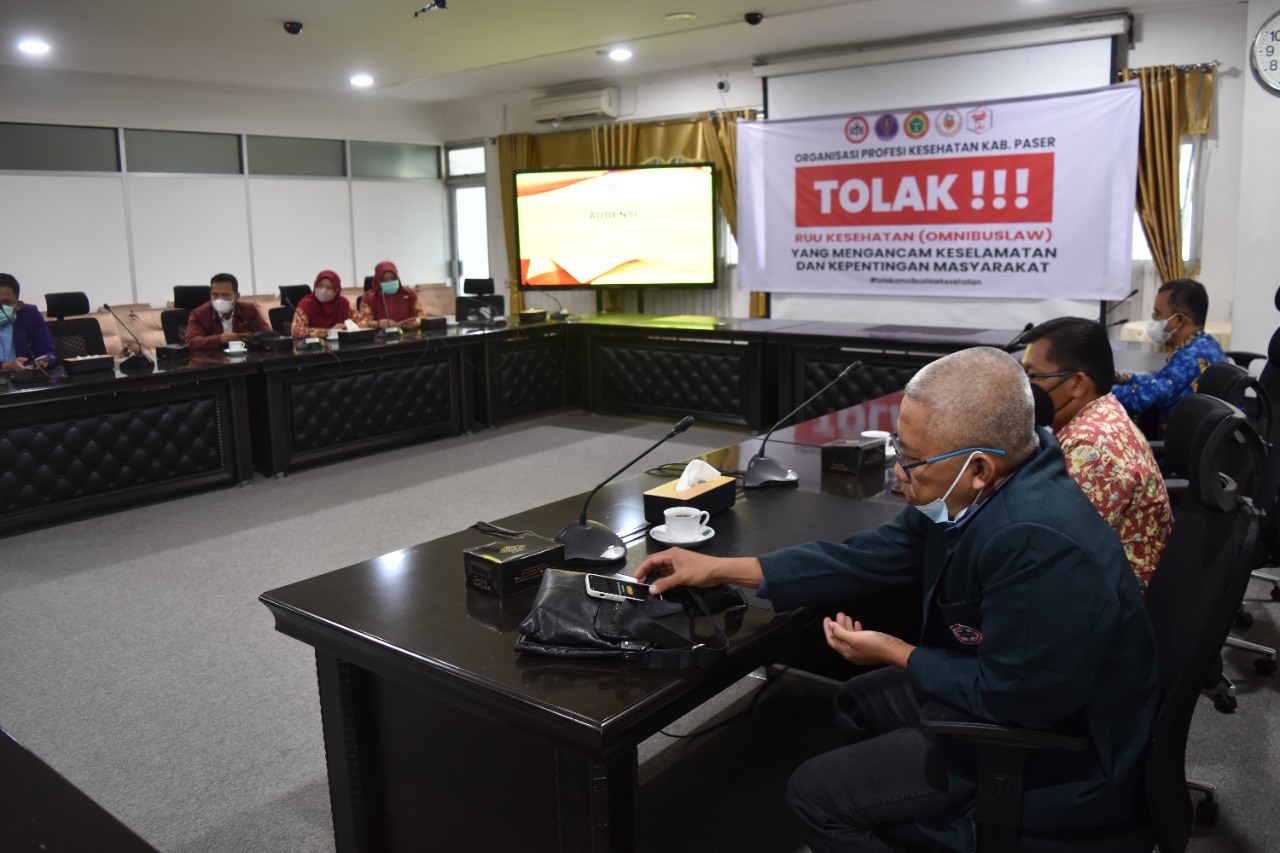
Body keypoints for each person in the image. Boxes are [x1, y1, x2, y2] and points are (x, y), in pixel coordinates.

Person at [634, 347, 1158, 853]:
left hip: (1061, 758)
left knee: (814, 796)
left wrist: (893, 650)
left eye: (910, 460)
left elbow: (1016, 699)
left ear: (978, 468)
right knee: (857, 702)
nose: (897, 474)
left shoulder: (1038, 541)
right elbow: (864, 556)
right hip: (1011, 687)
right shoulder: (987, 484)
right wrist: (717, 567)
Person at [1021, 317, 1172, 585]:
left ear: (1077, 383)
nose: (1026, 388)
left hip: (1116, 594)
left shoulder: (1093, 447)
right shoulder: (1096, 414)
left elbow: (1055, 546)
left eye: (1033, 376)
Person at [1113, 278, 1224, 431]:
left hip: (1183, 439)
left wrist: (1097, 389)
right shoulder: (1204, 343)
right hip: (1205, 434)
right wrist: (1121, 377)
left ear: (1178, 320)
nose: (1153, 320)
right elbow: (1158, 382)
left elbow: (1141, 398)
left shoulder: (1188, 359)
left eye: (1157, 314)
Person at [185, 272, 269, 350]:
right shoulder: (199, 314)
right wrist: (221, 339)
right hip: (211, 359)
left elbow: (267, 335)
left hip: (246, 358)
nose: (219, 300)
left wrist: (250, 338)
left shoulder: (249, 310)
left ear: (236, 296)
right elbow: (191, 342)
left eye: (225, 295)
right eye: (215, 294)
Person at [0, 273, 57, 373]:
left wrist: (44, 361)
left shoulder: (30, 314)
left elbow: (49, 352)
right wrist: (5, 366)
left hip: (24, 378)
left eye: (5, 303)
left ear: (18, 305)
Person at [290, 270, 361, 339]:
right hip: (314, 345)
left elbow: (361, 322)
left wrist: (348, 327)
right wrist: (329, 331)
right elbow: (296, 330)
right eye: (320, 286)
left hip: (340, 344)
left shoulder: (343, 303)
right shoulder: (306, 304)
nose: (323, 290)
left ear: (336, 290)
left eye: (329, 287)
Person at [359, 260, 425, 332]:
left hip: (408, 335)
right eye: (385, 280)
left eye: (393, 279)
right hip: (380, 336)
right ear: (378, 281)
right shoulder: (369, 297)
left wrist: (417, 322)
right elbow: (361, 323)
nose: (389, 282)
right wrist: (378, 324)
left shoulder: (408, 293)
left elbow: (422, 316)